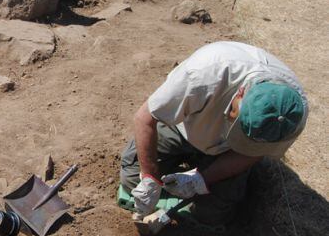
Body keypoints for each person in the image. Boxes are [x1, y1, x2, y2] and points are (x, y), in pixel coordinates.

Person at [120, 41, 308, 226]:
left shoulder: (289, 118)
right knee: (132, 179)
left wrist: (200, 179)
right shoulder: (202, 75)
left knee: (213, 214)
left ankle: (202, 180)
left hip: (226, 152)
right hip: (183, 128)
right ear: (241, 92)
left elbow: (251, 154)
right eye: (237, 124)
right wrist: (150, 178)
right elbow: (144, 119)